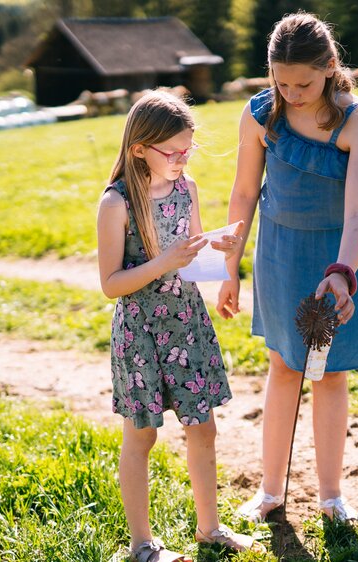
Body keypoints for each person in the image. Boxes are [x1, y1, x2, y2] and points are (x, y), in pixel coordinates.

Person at [216, 12, 358, 523]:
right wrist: (231, 265)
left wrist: (342, 272)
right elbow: (245, 193)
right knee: (285, 366)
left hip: (337, 259)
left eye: (304, 83)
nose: (291, 92)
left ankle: (331, 496)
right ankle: (271, 492)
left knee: (329, 374)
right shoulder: (260, 114)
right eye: (280, 81)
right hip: (279, 253)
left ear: (331, 67)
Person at [97, 91, 259, 561]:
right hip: (141, 332)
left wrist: (220, 249)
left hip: (187, 323)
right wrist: (163, 260)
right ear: (139, 149)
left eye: (187, 149)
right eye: (173, 152)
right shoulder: (117, 203)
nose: (181, 159)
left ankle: (209, 529)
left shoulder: (185, 188)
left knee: (203, 427)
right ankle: (142, 545)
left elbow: (191, 253)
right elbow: (111, 283)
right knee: (141, 436)